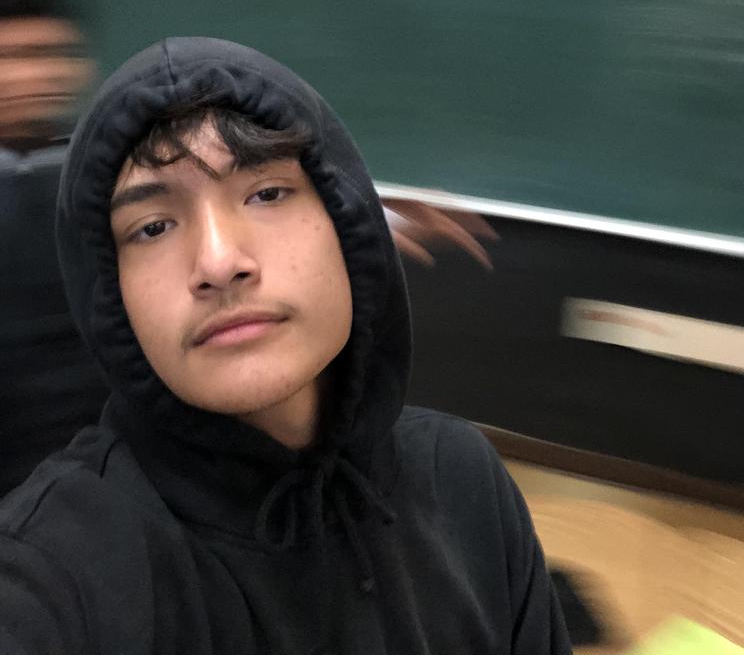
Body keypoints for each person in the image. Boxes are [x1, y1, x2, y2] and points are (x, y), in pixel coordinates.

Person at [0, 36, 568, 653]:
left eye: (267, 193)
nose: (219, 262)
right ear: (110, 295)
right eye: (153, 227)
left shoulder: (462, 480)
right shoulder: (54, 571)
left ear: (348, 225)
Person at [0, 0, 495, 498]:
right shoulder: (90, 179)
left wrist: (374, 219)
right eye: (153, 228)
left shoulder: (96, 163)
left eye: (49, 53)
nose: (33, 74)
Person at [0, 0, 107, 495]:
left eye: (52, 53)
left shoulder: (115, 174)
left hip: (100, 473)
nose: (33, 74)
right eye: (9, 57)